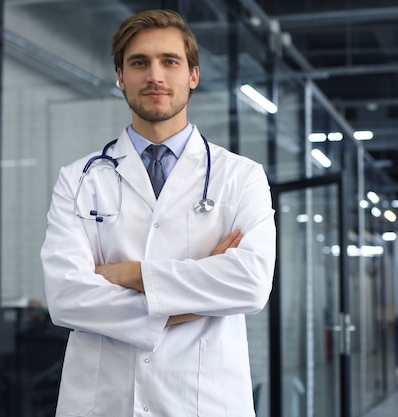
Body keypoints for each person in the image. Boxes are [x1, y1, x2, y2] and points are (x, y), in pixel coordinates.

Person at [40, 9, 276, 417]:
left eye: (170, 61)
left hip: (204, 401)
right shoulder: (78, 179)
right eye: (139, 63)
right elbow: (66, 297)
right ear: (120, 76)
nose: (155, 75)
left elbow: (251, 284)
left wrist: (131, 274)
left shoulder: (242, 177)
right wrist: (198, 300)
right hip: (103, 402)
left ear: (193, 76)